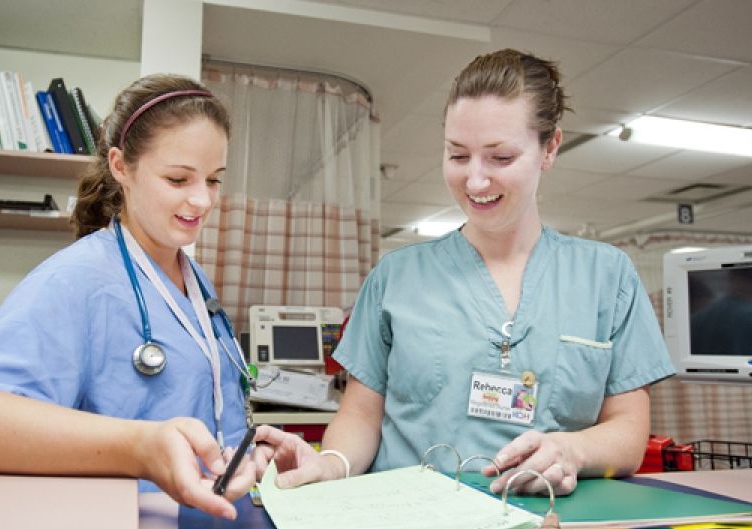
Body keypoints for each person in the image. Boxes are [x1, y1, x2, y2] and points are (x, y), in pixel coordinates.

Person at [255, 49, 675, 496]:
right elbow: (361, 416)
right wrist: (332, 464)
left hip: (552, 528)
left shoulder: (607, 278)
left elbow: (629, 433)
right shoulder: (396, 277)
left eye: (500, 158)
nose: (475, 181)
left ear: (549, 148)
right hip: (411, 523)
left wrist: (572, 449)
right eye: (458, 156)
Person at [0, 74, 294, 519]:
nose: (202, 200)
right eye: (178, 179)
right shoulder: (79, 278)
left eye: (213, 180)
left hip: (212, 524)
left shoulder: (195, 283)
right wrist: (139, 447)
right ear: (121, 166)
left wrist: (254, 458)